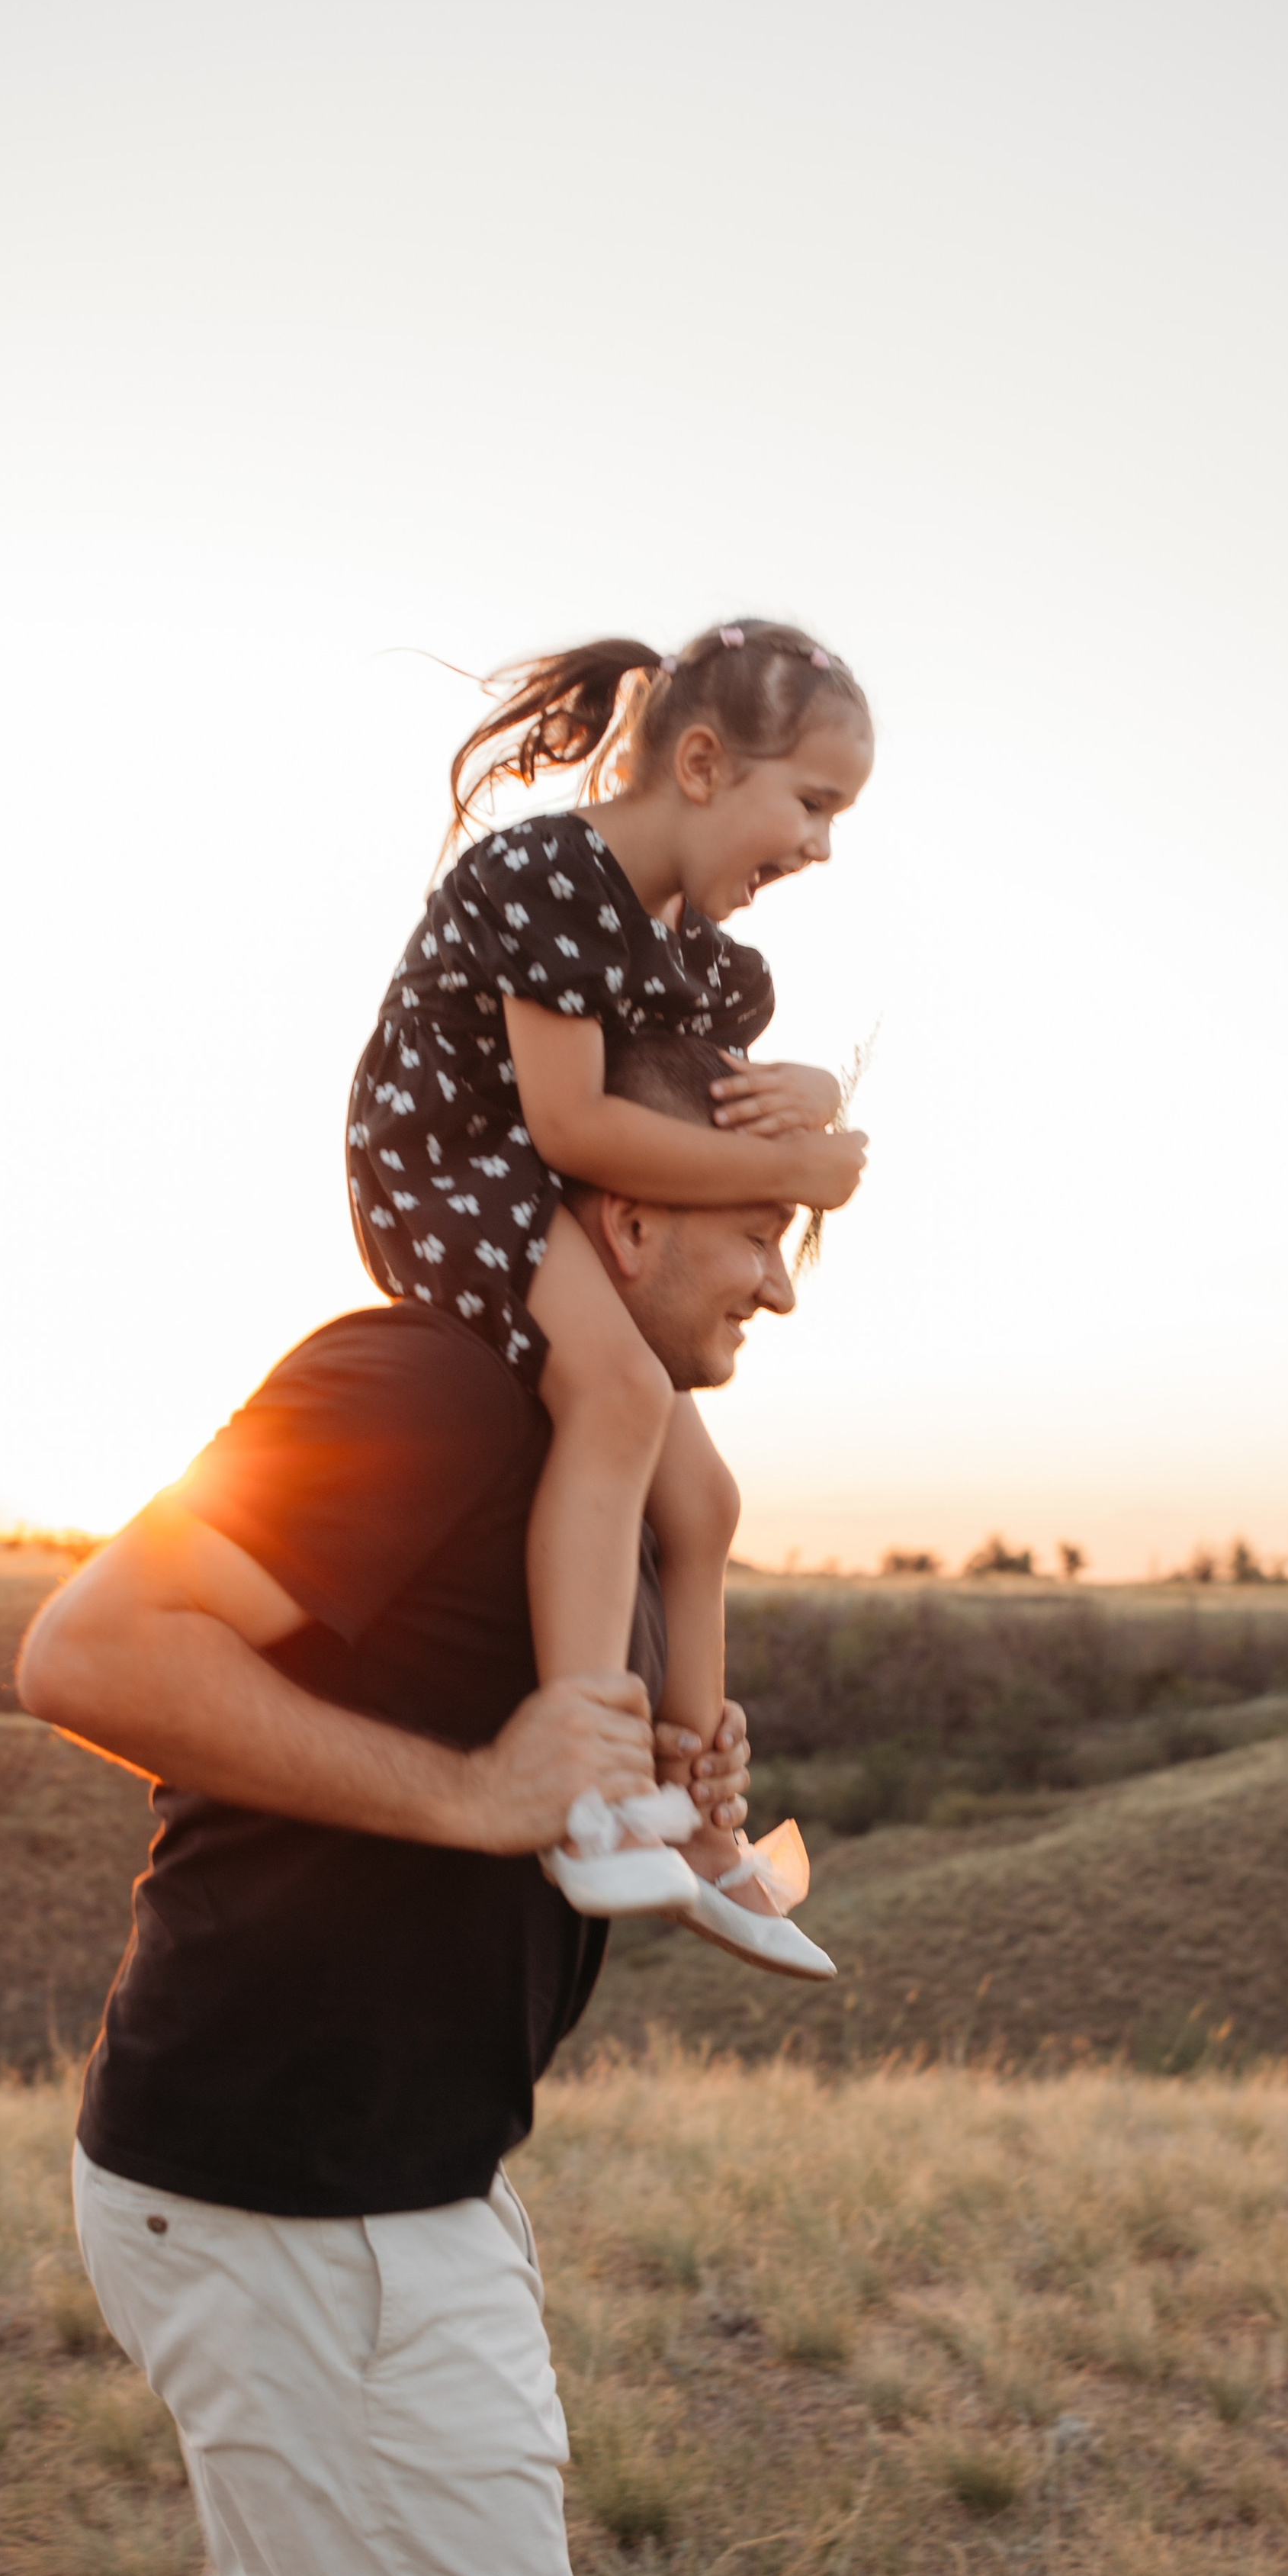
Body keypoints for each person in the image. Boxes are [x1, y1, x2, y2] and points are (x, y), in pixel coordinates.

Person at [0, 1034, 810, 2576]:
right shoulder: (425, 1383)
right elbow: (89, 1651)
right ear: (626, 1218)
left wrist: (668, 1791)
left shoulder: (597, 1475)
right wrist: (479, 1792)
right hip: (306, 2194)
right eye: (756, 1232)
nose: (780, 1286)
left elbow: (530, 1771)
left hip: (336, 2179)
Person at [348, 619, 872, 1914]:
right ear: (701, 765)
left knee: (704, 1504)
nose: (821, 847)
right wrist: (787, 1175)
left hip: (546, 1188)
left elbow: (699, 1092)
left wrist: (807, 1091)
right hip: (445, 1166)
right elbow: (574, 1126)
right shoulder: (551, 875)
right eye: (812, 803)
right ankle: (591, 1799)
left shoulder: (688, 952)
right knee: (622, 1394)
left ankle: (699, 1827)